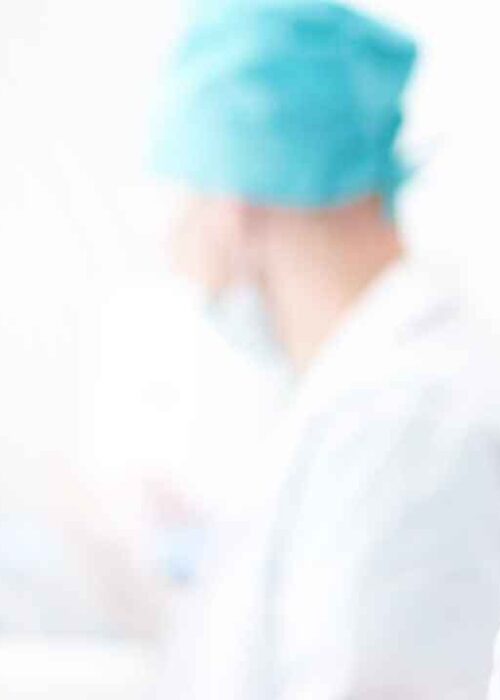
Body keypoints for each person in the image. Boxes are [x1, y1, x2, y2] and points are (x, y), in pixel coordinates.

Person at [152, 2, 500, 697]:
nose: (186, 252)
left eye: (190, 197)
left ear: (237, 201)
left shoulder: (402, 420)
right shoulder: (358, 398)